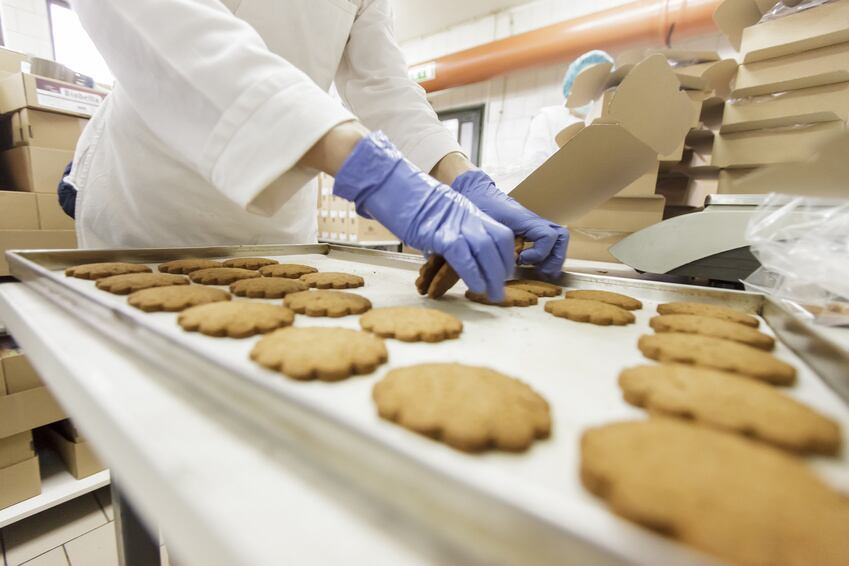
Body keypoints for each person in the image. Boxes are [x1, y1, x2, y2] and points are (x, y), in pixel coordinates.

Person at [64, 0, 567, 301]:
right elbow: (171, 32)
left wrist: (461, 177)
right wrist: (375, 173)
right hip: (152, 207)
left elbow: (382, 81)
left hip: (277, 229)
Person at [522, 50, 614, 170]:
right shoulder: (548, 118)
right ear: (571, 86)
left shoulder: (605, 124)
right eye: (586, 82)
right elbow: (532, 169)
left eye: (599, 84)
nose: (591, 89)